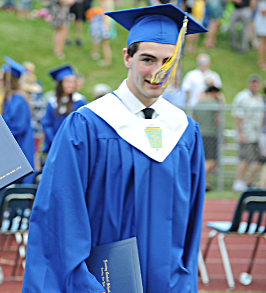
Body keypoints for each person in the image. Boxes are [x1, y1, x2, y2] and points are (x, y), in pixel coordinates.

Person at [23, 4, 207, 292]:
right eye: (147, 59)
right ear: (127, 57)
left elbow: (190, 225)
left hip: (168, 284)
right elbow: (61, 216)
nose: (158, 71)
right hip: (101, 285)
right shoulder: (88, 126)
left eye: (168, 60)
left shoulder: (184, 132)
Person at [2, 56, 35, 183]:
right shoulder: (10, 97)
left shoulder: (19, 99)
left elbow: (18, 127)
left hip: (19, 146)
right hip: (12, 147)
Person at [41, 64, 86, 154]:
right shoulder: (52, 102)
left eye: (73, 82)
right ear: (60, 83)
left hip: (73, 145)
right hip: (54, 144)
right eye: (67, 82)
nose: (71, 85)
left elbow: (81, 125)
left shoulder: (79, 101)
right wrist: (53, 139)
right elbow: (46, 123)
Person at [232, 74, 264, 192]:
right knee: (244, 158)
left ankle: (250, 182)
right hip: (246, 132)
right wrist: (240, 133)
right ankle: (239, 182)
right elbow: (237, 116)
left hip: (257, 134)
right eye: (252, 82)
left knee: (256, 160)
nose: (254, 85)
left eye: (256, 83)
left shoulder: (259, 98)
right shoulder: (242, 97)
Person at [192, 86, 221, 191]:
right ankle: (202, 176)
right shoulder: (215, 104)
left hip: (199, 134)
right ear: (214, 93)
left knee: (203, 159)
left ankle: (205, 184)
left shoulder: (197, 104)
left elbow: (193, 119)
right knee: (212, 161)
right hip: (211, 134)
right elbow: (218, 121)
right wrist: (222, 135)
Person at [255, 0, 266, 70]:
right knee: (262, 42)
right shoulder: (261, 3)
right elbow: (263, 12)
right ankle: (261, 61)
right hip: (262, 26)